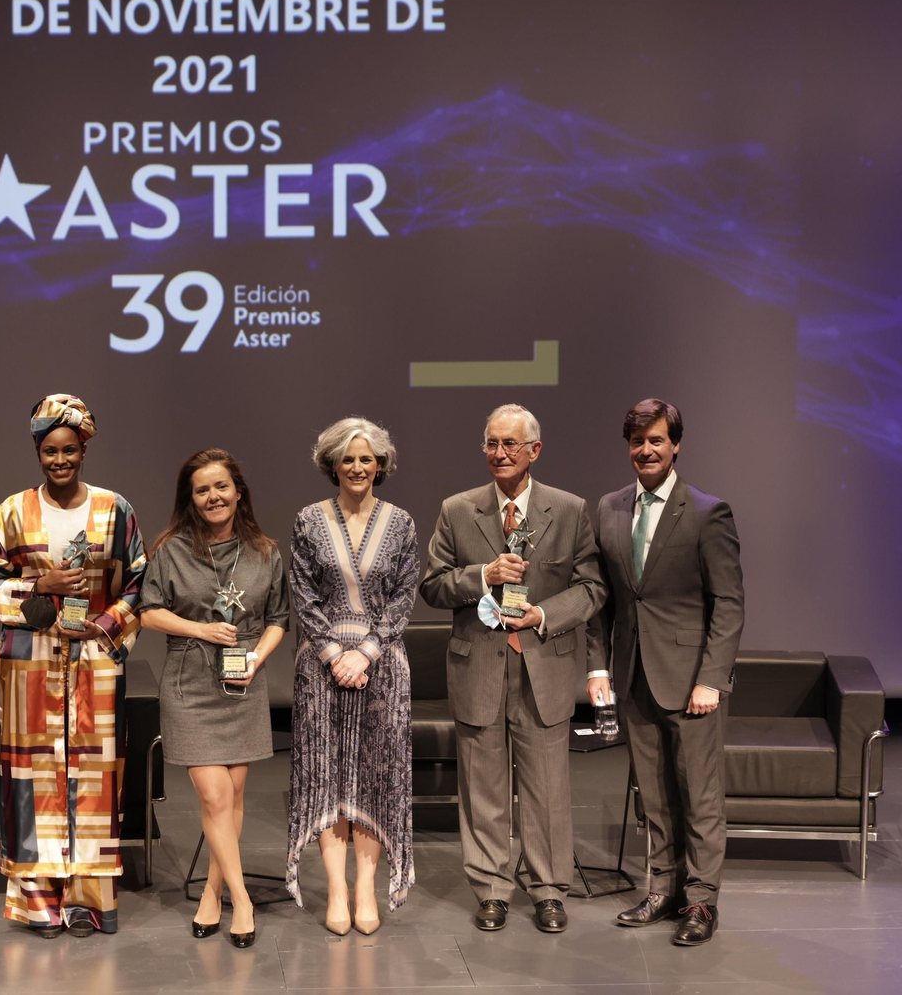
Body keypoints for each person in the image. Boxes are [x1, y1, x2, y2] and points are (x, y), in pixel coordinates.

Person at [421, 404, 605, 935]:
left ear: (534, 451)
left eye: (510, 444)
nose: (499, 453)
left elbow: (592, 588)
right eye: (491, 444)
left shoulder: (568, 510)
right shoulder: (458, 510)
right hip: (478, 666)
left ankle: (548, 890)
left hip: (542, 666)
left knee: (547, 789)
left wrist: (543, 614)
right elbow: (432, 585)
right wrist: (483, 575)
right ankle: (492, 889)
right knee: (483, 787)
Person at [0, 393, 149, 937]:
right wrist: (41, 586)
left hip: (95, 661)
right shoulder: (12, 510)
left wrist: (102, 627)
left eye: (69, 450)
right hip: (29, 662)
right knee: (31, 780)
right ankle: (38, 901)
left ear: (84, 450)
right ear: (37, 451)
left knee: (95, 780)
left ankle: (87, 901)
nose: (60, 460)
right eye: (50, 451)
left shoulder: (115, 509)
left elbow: (139, 582)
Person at [586, 399, 743, 946]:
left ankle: (700, 900)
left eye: (656, 440)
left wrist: (711, 679)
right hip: (634, 676)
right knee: (652, 795)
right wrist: (599, 666)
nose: (646, 450)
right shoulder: (609, 508)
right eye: (638, 441)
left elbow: (728, 604)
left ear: (675, 445)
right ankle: (663, 889)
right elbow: (604, 599)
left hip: (692, 681)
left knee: (699, 796)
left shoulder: (707, 511)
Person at [139, 449, 289, 950]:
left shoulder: (265, 552)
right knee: (214, 796)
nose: (213, 497)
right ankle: (242, 901)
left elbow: (278, 619)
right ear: (191, 498)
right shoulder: (170, 550)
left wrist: (256, 659)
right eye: (202, 490)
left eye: (221, 486)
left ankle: (212, 890)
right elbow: (148, 612)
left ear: (238, 492)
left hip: (242, 683)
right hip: (189, 682)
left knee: (233, 797)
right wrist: (200, 629)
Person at [286, 417, 419, 935]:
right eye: (348, 458)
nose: (358, 467)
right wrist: (332, 654)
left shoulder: (402, 522)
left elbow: (404, 596)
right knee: (327, 776)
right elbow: (303, 595)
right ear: (332, 464)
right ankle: (336, 890)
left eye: (367, 458)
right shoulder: (307, 519)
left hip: (382, 665)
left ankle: (365, 886)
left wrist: (364, 653)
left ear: (380, 464)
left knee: (373, 776)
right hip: (320, 668)